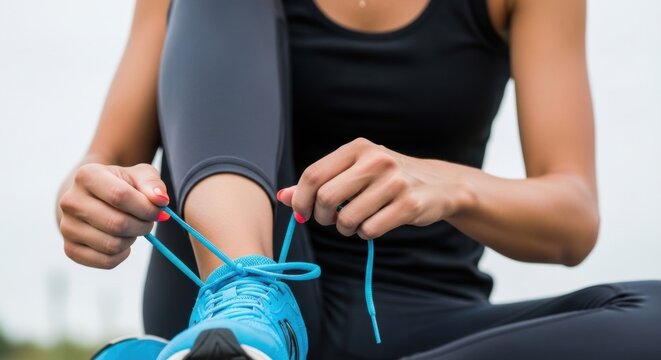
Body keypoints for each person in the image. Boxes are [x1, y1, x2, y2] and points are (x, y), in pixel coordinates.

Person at [56, 0, 661, 359]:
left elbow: (572, 216)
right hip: (218, 290)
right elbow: (101, 163)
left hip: (423, 323)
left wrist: (448, 183)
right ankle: (248, 319)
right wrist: (90, 200)